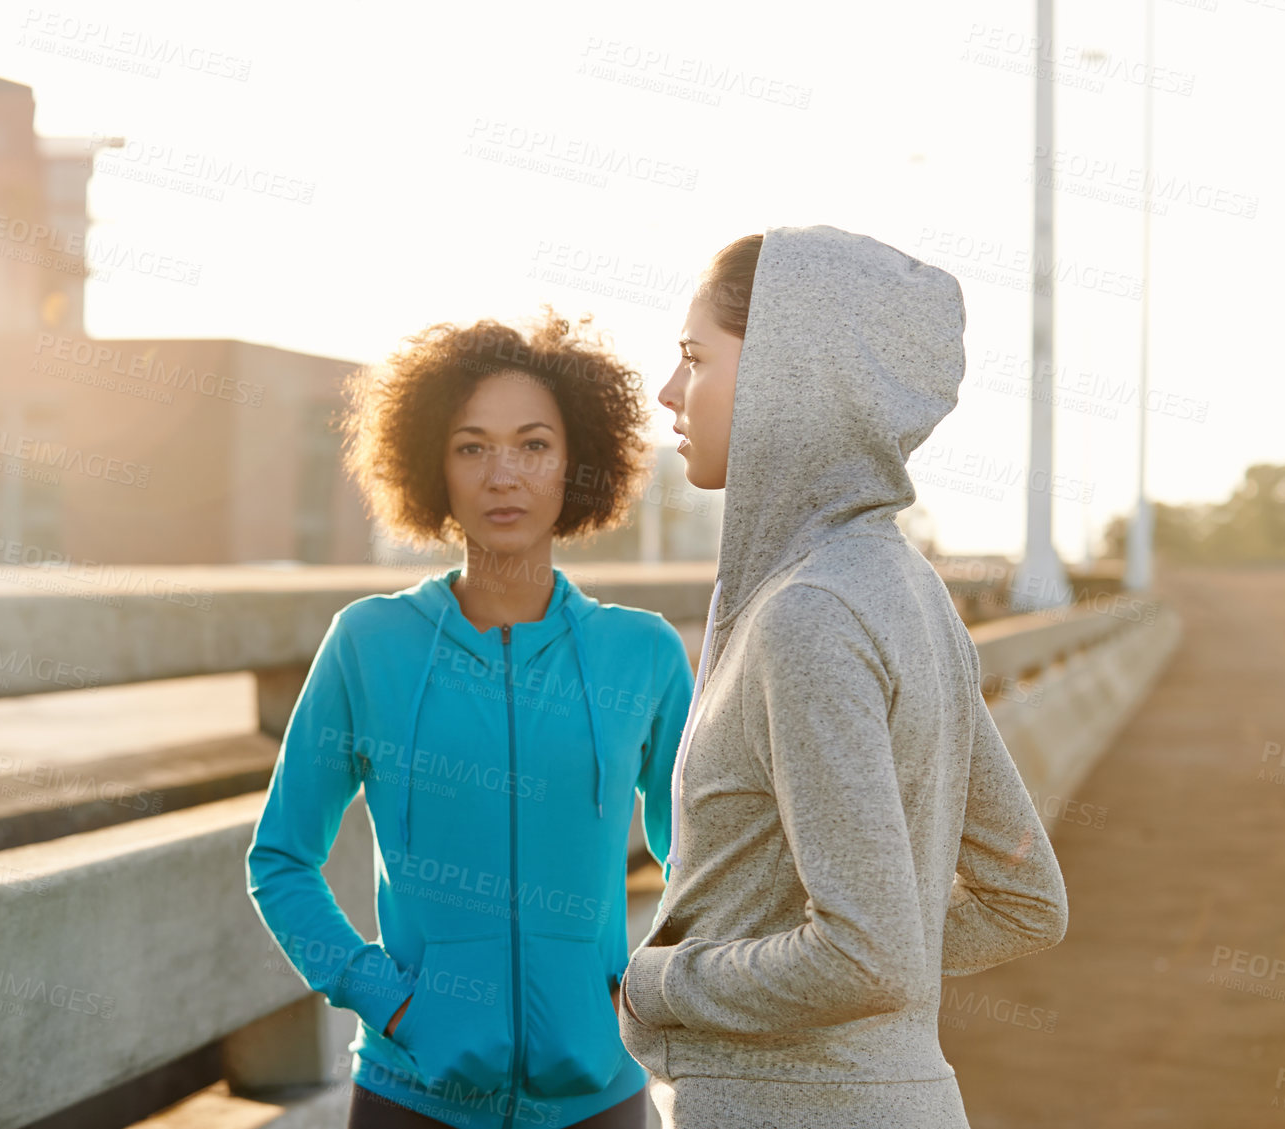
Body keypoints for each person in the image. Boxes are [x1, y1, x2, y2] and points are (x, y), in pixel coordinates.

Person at [617, 225, 1070, 1128]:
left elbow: (871, 957)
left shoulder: (808, 614)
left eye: (694, 358)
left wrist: (662, 978)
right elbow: (1027, 903)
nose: (668, 393)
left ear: (792, 371)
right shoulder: (908, 590)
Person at [246, 308, 696, 1129]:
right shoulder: (369, 644)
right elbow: (280, 858)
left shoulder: (643, 654)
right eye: (471, 446)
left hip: (600, 1098)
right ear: (434, 467)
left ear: (576, 463)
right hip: (410, 1096)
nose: (504, 475)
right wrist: (391, 1003)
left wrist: (637, 988)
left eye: (534, 444)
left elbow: (700, 858)